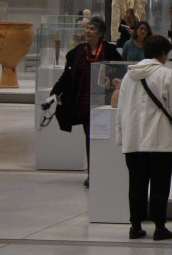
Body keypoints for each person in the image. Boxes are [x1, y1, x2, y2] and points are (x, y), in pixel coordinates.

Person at [117, 34, 172, 241]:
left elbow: (121, 109)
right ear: (163, 53)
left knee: (136, 185)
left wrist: (121, 137)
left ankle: (135, 226)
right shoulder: (166, 75)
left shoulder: (129, 76)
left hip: (133, 141)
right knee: (160, 185)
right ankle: (159, 227)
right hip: (159, 140)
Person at [51, 16, 121, 187]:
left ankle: (105, 170)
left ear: (100, 34)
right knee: (90, 137)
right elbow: (67, 77)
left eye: (92, 29)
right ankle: (92, 172)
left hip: (103, 103)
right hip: (83, 102)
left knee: (103, 137)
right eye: (87, 28)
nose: (88, 31)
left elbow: (120, 73)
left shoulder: (110, 52)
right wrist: (55, 93)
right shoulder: (77, 52)